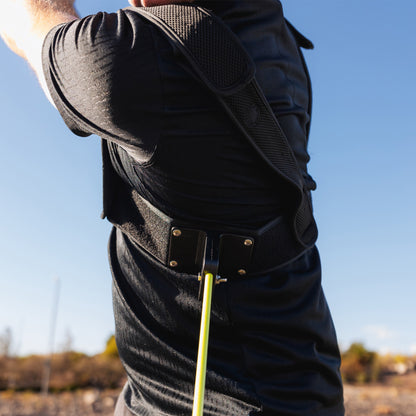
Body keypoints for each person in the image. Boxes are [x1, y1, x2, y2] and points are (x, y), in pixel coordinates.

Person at [0, 0, 345, 415]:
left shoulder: (141, 53)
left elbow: (24, 20)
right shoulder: (276, 36)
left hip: (214, 402)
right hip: (301, 379)